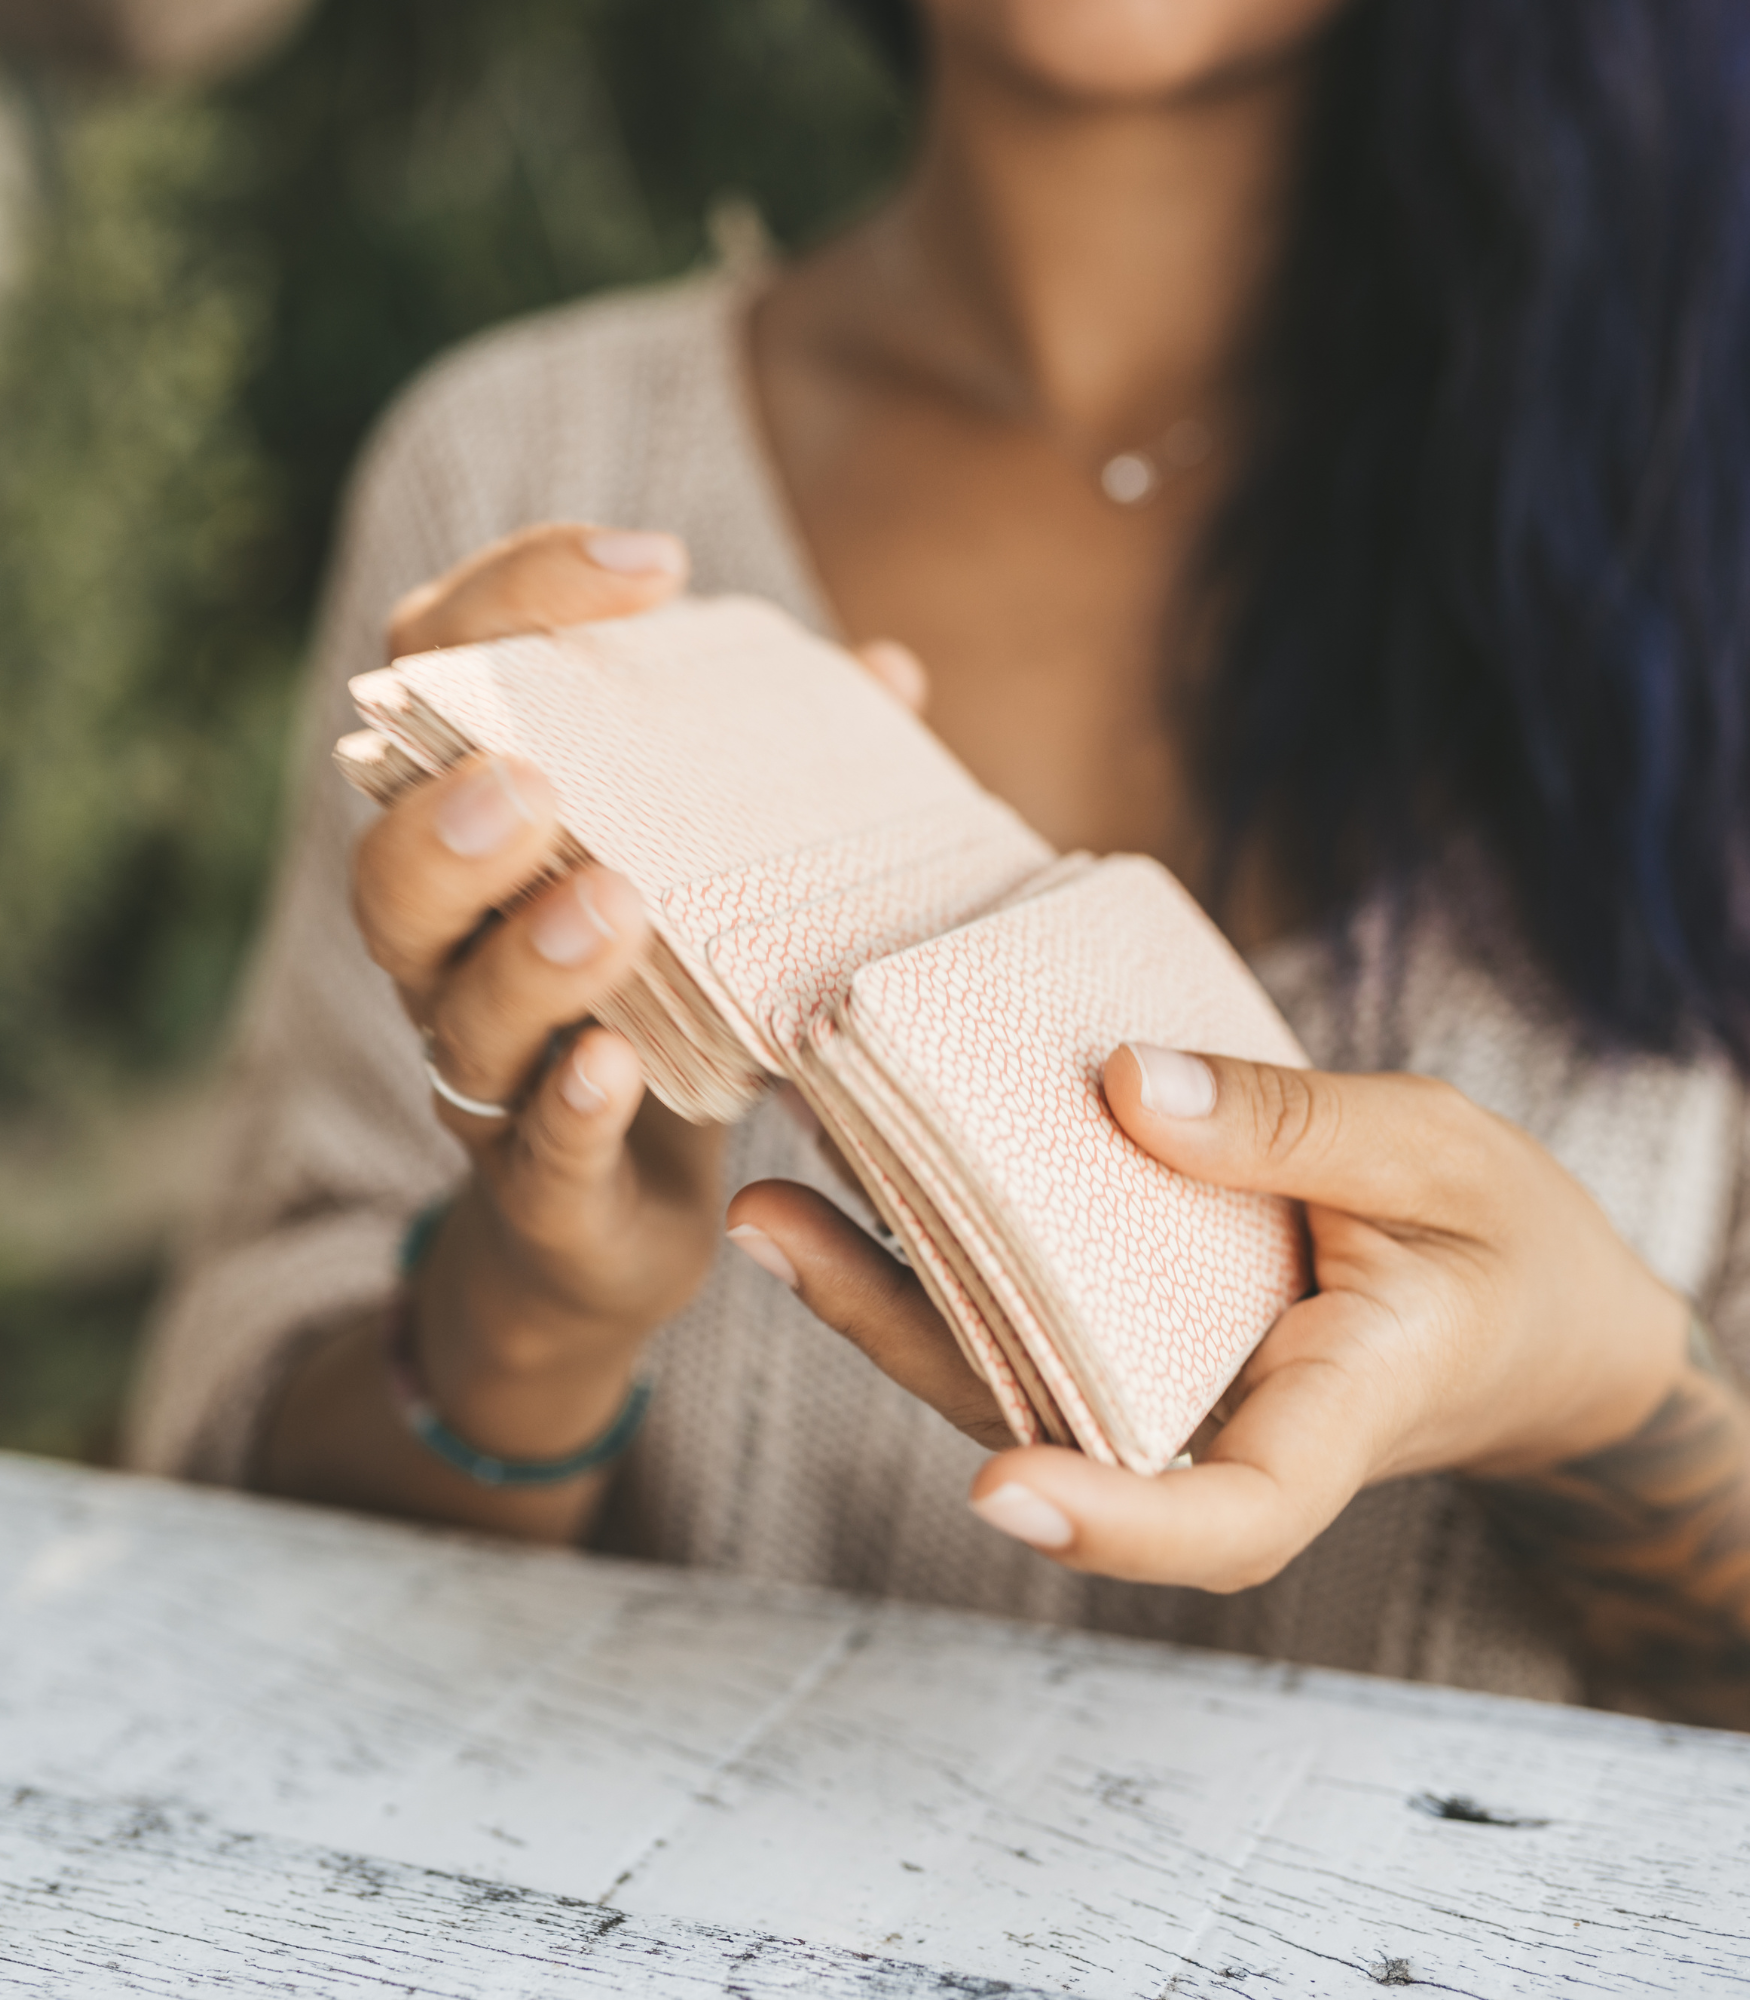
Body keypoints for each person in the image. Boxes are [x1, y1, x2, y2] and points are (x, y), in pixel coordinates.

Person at [127, 0, 1750, 1727]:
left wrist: (1595, 1401)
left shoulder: (1695, 499)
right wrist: (527, 1320)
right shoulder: (532, 473)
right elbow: (237, 1585)